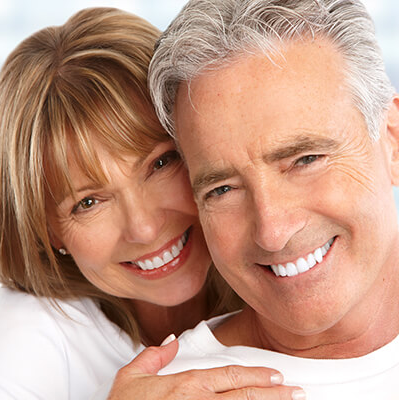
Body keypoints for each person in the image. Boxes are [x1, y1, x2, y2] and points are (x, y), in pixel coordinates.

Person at [0, 7, 301, 400]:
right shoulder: (26, 344)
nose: (143, 227)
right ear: (46, 231)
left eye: (160, 163)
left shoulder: (301, 268)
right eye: (88, 202)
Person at [148, 0, 399, 398]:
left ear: (391, 139)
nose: (273, 231)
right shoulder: (176, 390)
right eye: (223, 189)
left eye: (305, 160)